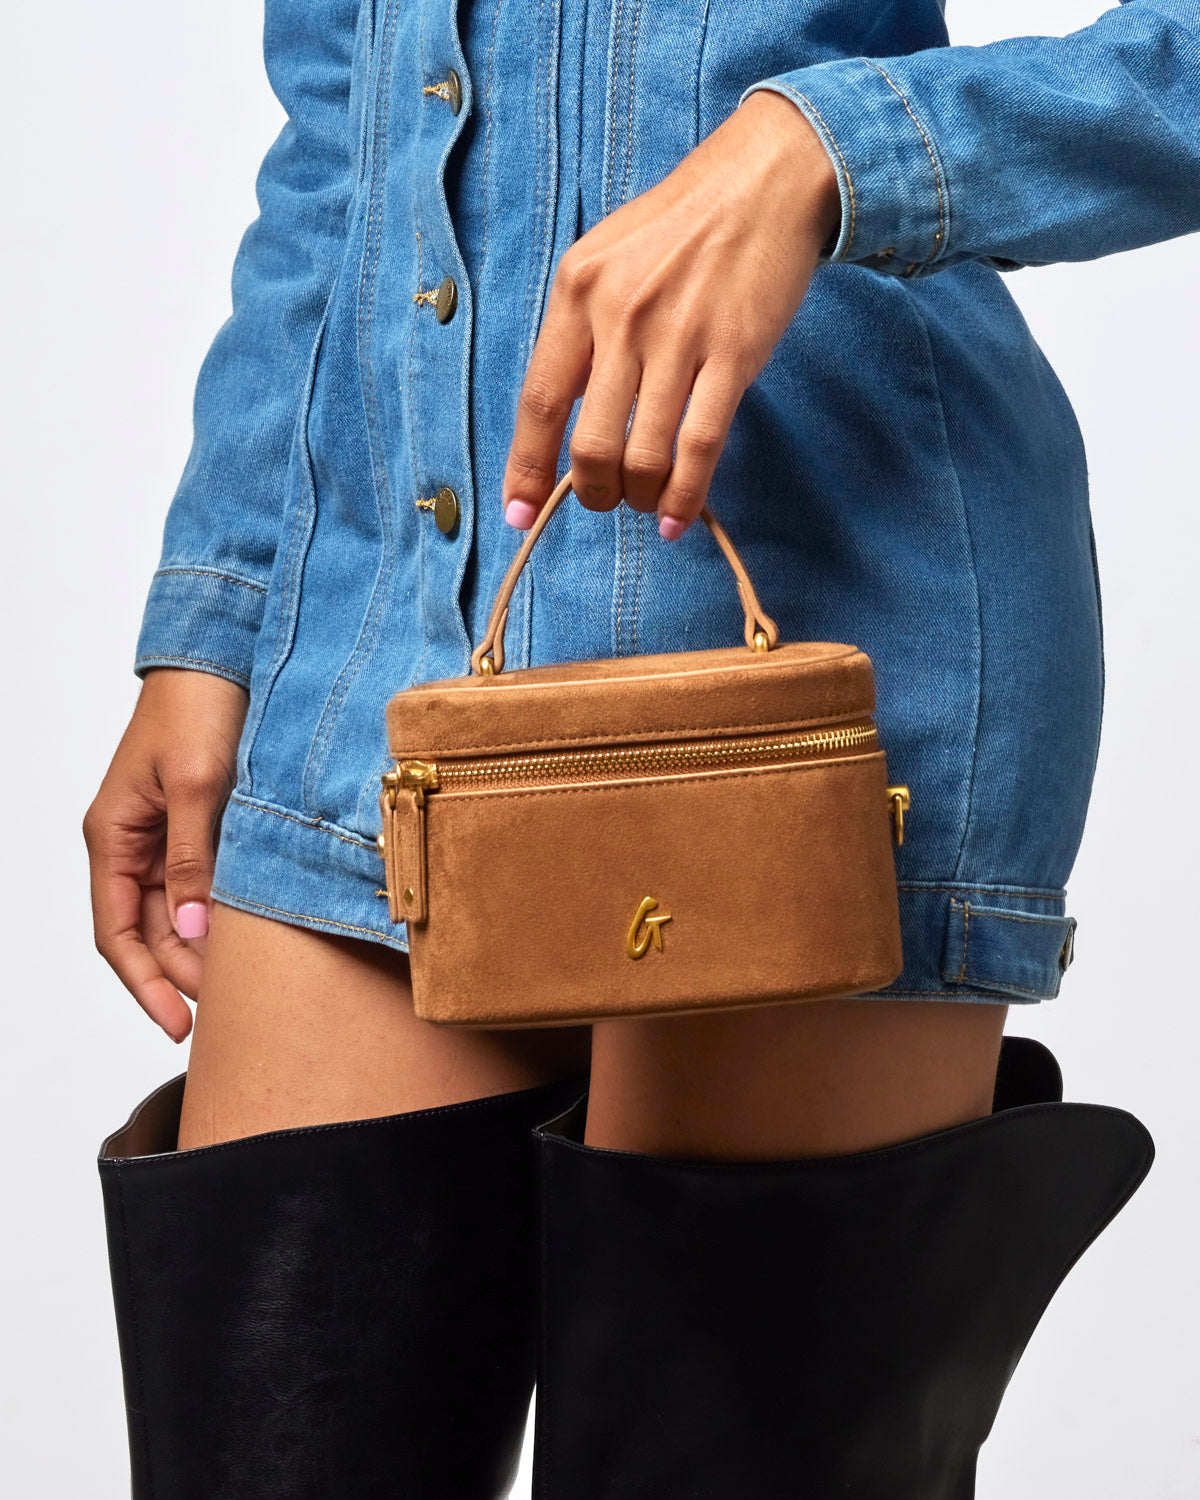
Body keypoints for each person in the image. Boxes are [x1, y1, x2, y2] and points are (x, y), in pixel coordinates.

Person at [86, 1, 1195, 1495]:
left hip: (819, 651)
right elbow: (343, 145)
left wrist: (826, 145)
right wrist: (212, 621)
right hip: (373, 640)